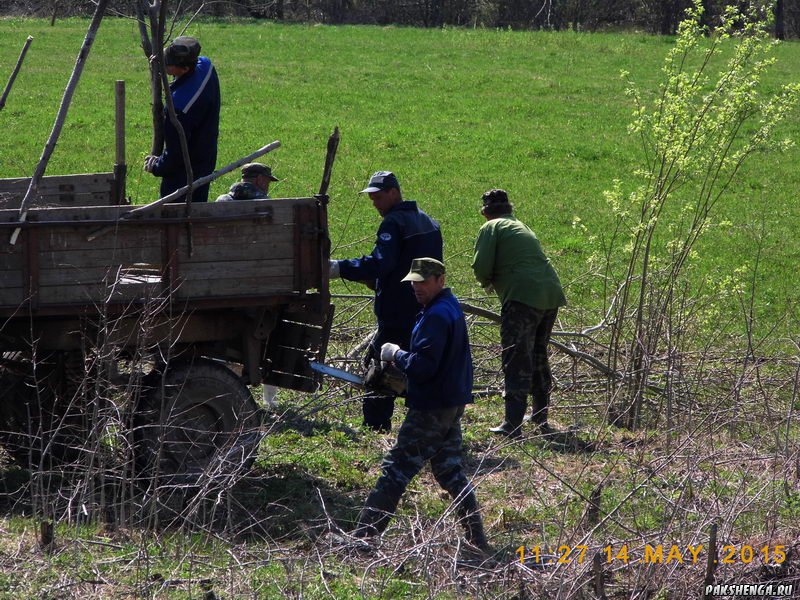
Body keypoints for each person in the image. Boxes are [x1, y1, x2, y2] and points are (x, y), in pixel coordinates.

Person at [354, 258, 488, 553]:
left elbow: (424, 366)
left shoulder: (437, 315)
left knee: (397, 468)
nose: (416, 287)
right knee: (449, 470)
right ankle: (477, 540)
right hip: (450, 401)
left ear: (440, 280)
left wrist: (396, 354)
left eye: (423, 282)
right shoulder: (447, 307)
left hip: (432, 405)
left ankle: (363, 539)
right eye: (414, 281)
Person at [329, 171, 443, 432]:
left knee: (381, 370)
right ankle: (425, 424)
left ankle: (376, 427)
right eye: (372, 198)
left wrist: (340, 268)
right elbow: (429, 268)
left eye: (378, 197)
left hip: (397, 310)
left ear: (394, 192)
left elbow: (381, 263)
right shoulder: (428, 222)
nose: (375, 204)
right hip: (423, 308)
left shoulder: (394, 222)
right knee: (418, 366)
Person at [471, 189, 567, 438]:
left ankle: (512, 423)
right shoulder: (519, 225)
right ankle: (540, 416)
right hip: (549, 294)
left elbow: (481, 266)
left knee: (515, 357)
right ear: (509, 208)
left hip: (522, 297)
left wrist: (488, 281)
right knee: (538, 354)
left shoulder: (491, 227)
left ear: (485, 212)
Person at [143, 36, 221, 203]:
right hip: (205, 157)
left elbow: (175, 154)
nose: (163, 64)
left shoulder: (178, 108)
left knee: (176, 215)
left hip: (185, 170)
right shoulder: (206, 66)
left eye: (167, 63)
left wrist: (157, 166)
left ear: (185, 69)